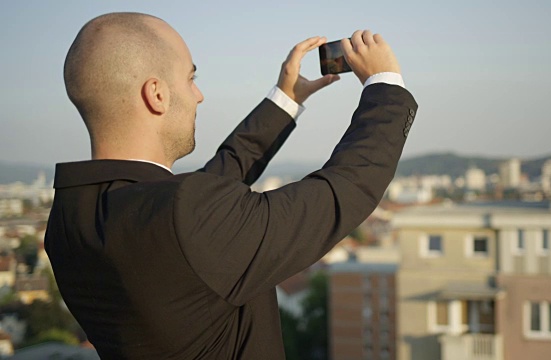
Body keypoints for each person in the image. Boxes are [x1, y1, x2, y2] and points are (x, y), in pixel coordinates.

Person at [45, 12, 418, 360]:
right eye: (191, 78)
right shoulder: (185, 216)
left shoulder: (69, 221)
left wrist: (286, 99)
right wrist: (384, 84)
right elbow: (341, 192)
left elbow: (208, 190)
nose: (199, 95)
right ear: (156, 94)